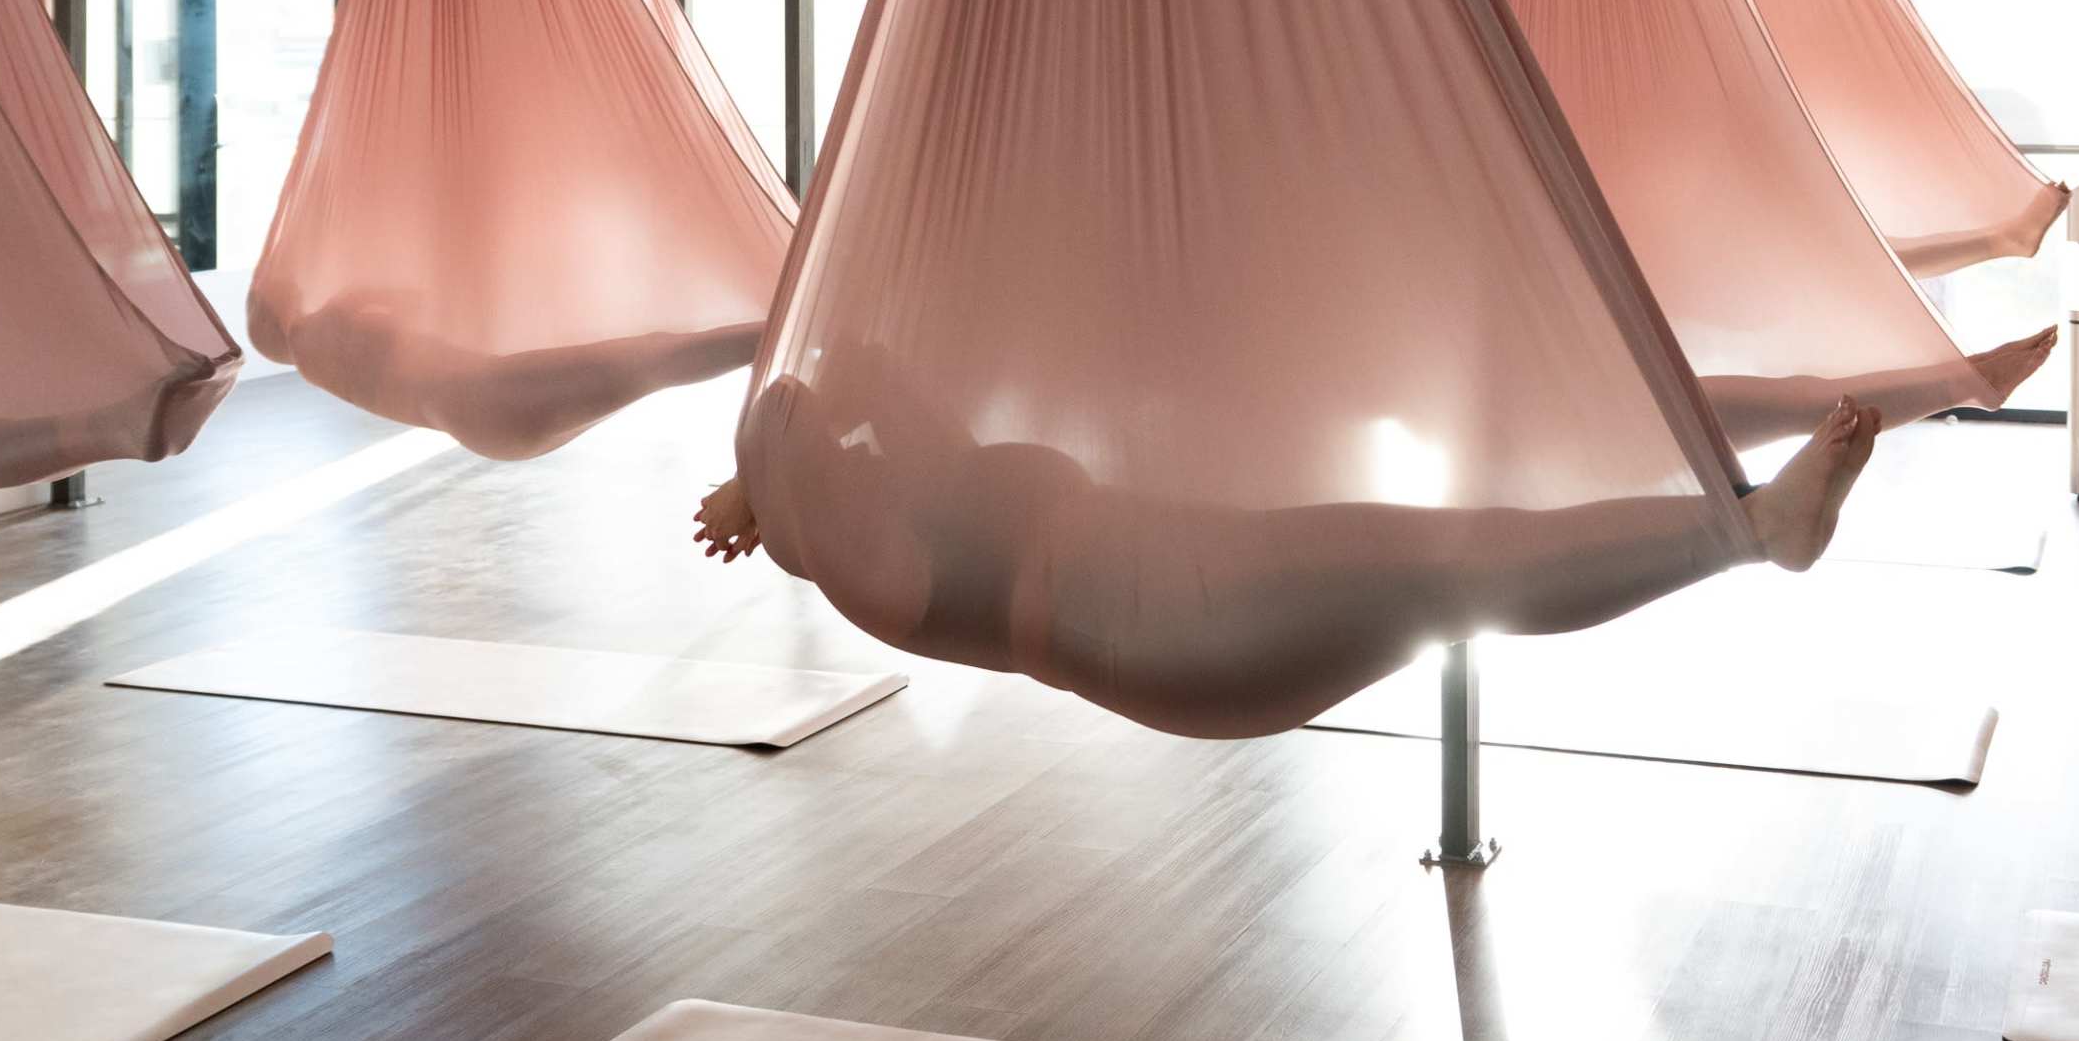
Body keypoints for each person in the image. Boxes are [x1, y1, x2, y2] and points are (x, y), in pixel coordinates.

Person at [690, 388, 1889, 737]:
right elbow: (820, 396)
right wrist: (765, 480)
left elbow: (863, 386)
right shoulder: (873, 572)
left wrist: (776, 471)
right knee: (1458, 562)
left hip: (1196, 613)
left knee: (1462, 562)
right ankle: (1746, 531)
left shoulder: (920, 492)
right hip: (1182, 627)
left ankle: (1747, 529)